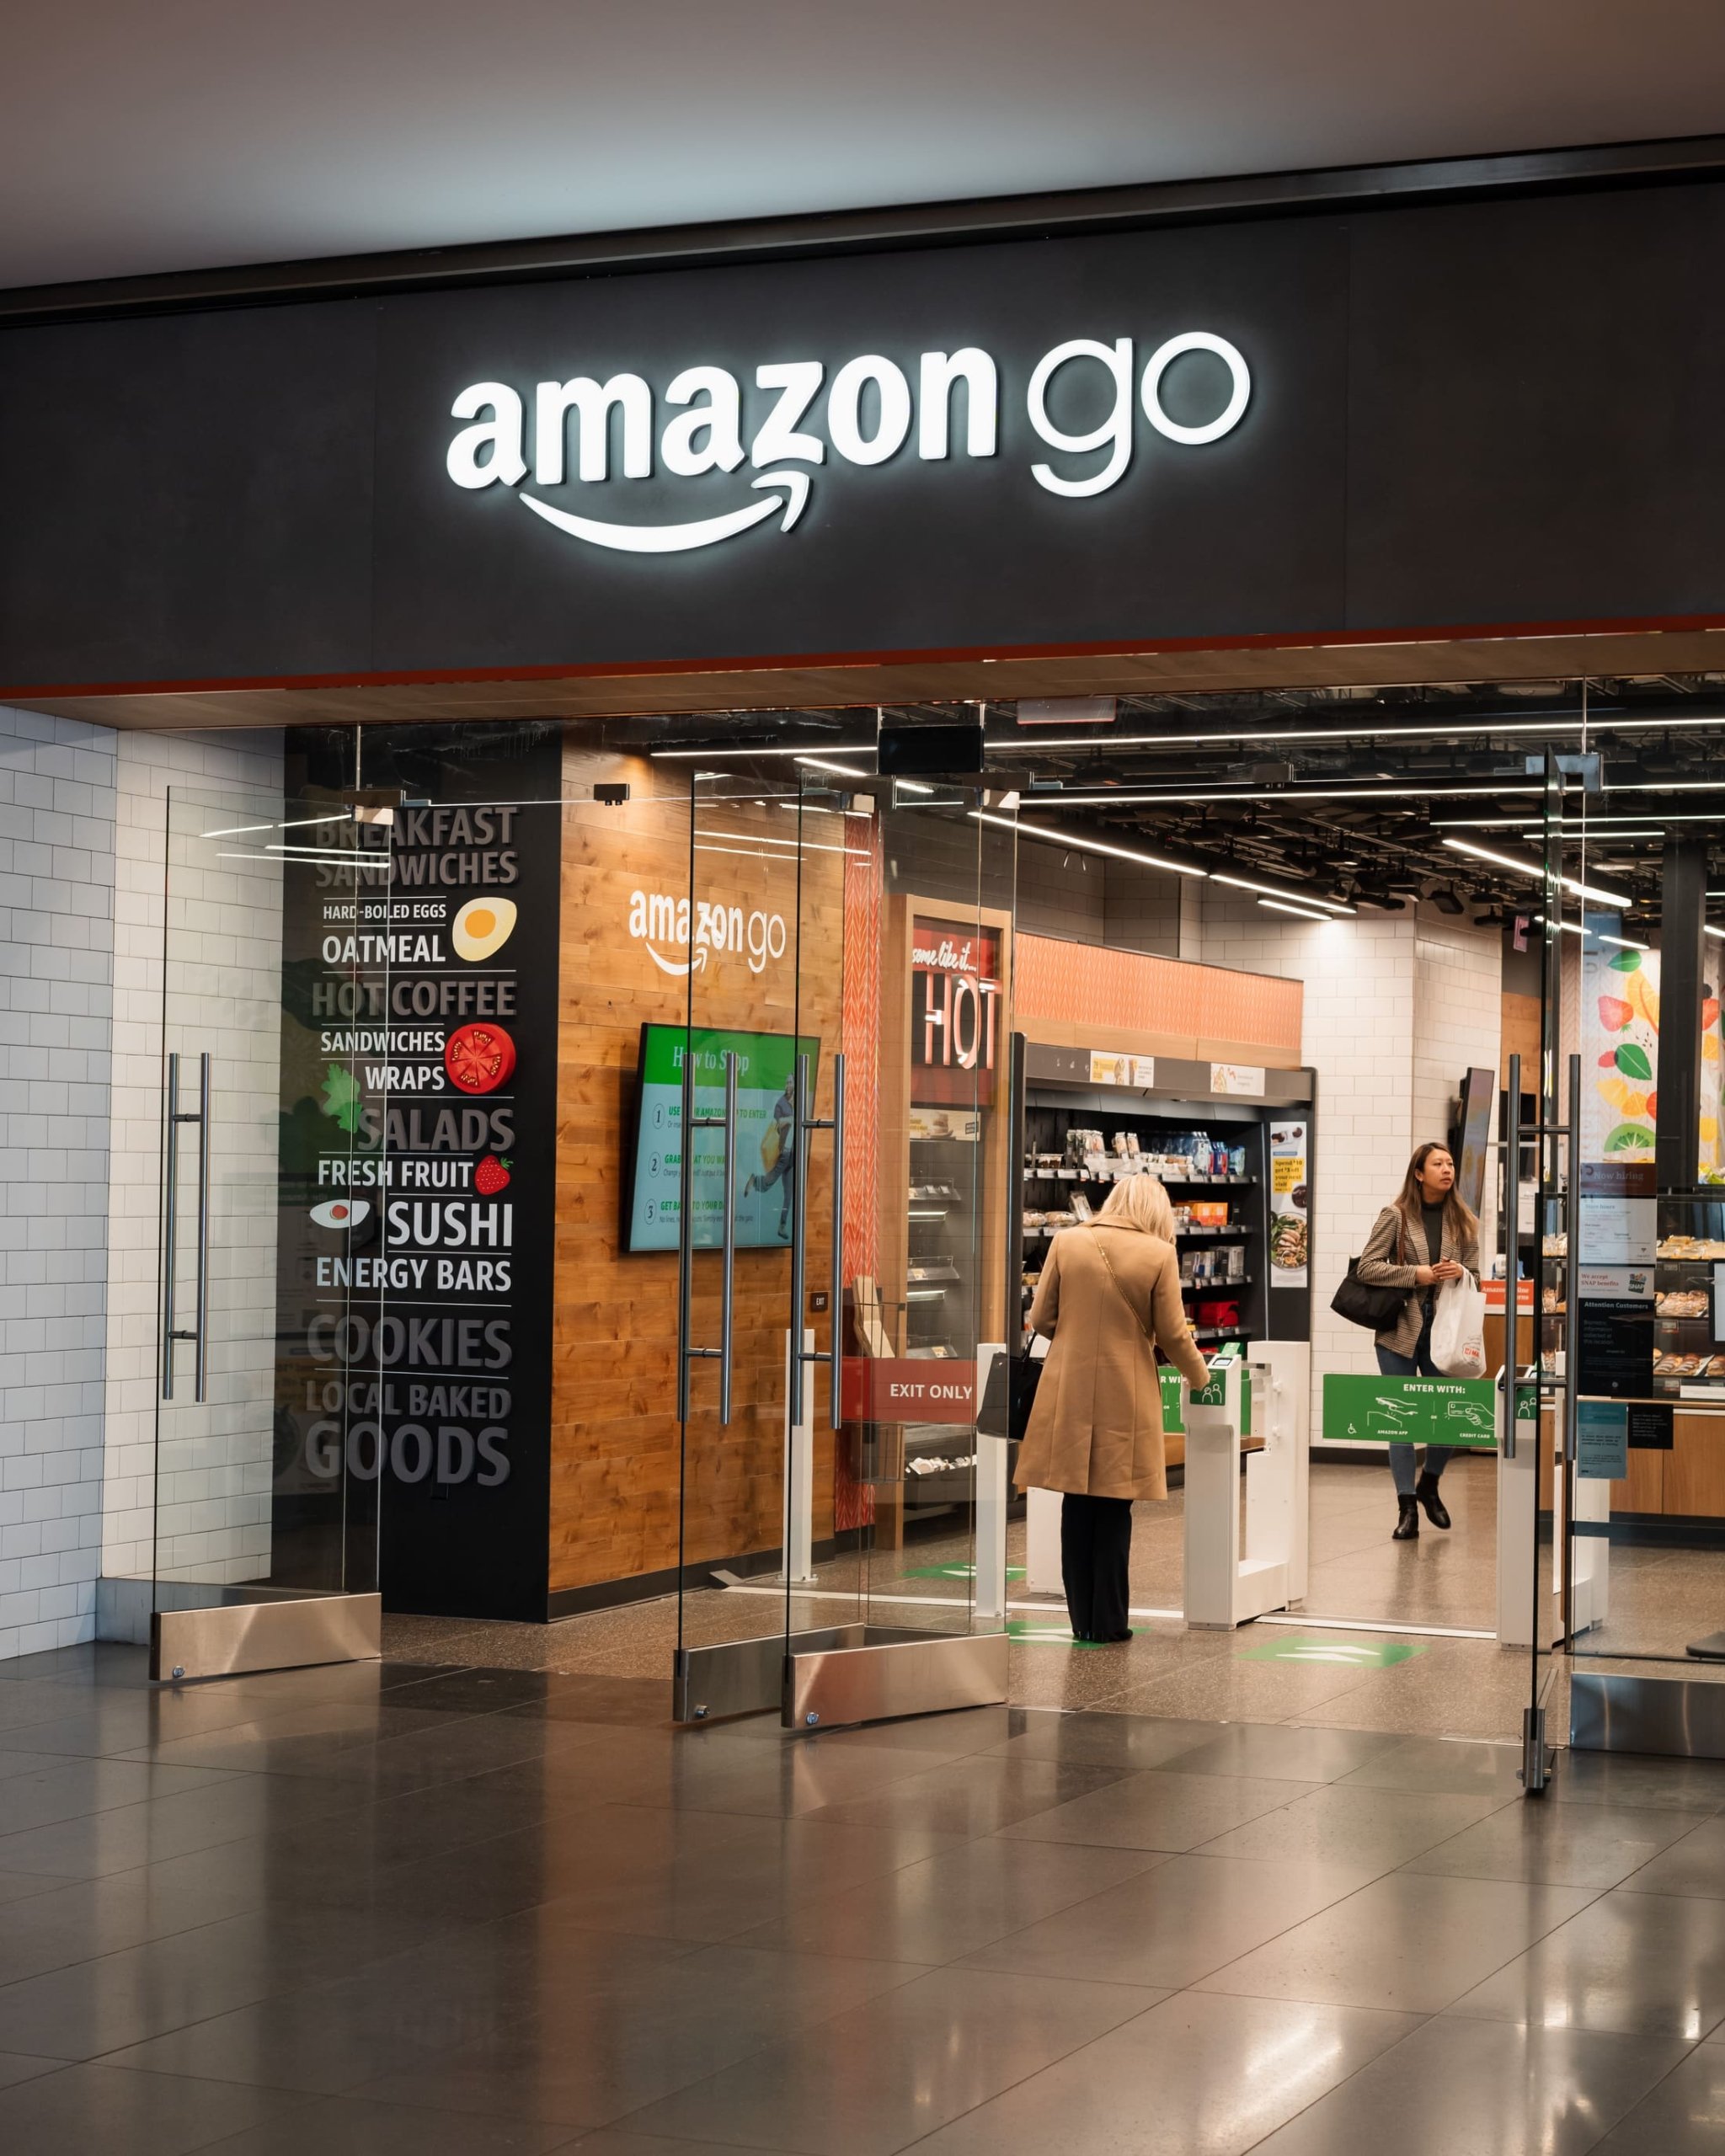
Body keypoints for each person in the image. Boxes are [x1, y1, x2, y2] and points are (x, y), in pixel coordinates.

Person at [1014, 1172, 1210, 1643]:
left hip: (1068, 1386)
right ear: (1155, 1210)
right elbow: (1171, 1332)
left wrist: (1079, 1335)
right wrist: (1200, 1377)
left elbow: (1040, 1318)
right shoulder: (1159, 1254)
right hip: (1127, 1387)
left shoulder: (1068, 1240)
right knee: (1113, 1507)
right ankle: (1109, 1621)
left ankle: (1080, 1619)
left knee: (1075, 1502)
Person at [1355, 1141, 1481, 1541]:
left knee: (1450, 1414)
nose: (1447, 1170)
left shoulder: (1463, 1219)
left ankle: (1430, 1482)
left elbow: (1475, 1272)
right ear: (1419, 1173)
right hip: (1398, 1331)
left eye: (1450, 1164)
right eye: (1438, 1164)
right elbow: (1367, 1267)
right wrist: (1418, 1274)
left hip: (1445, 1331)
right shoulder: (1395, 1216)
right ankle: (1407, 1506)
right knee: (1402, 1418)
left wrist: (1459, 1270)